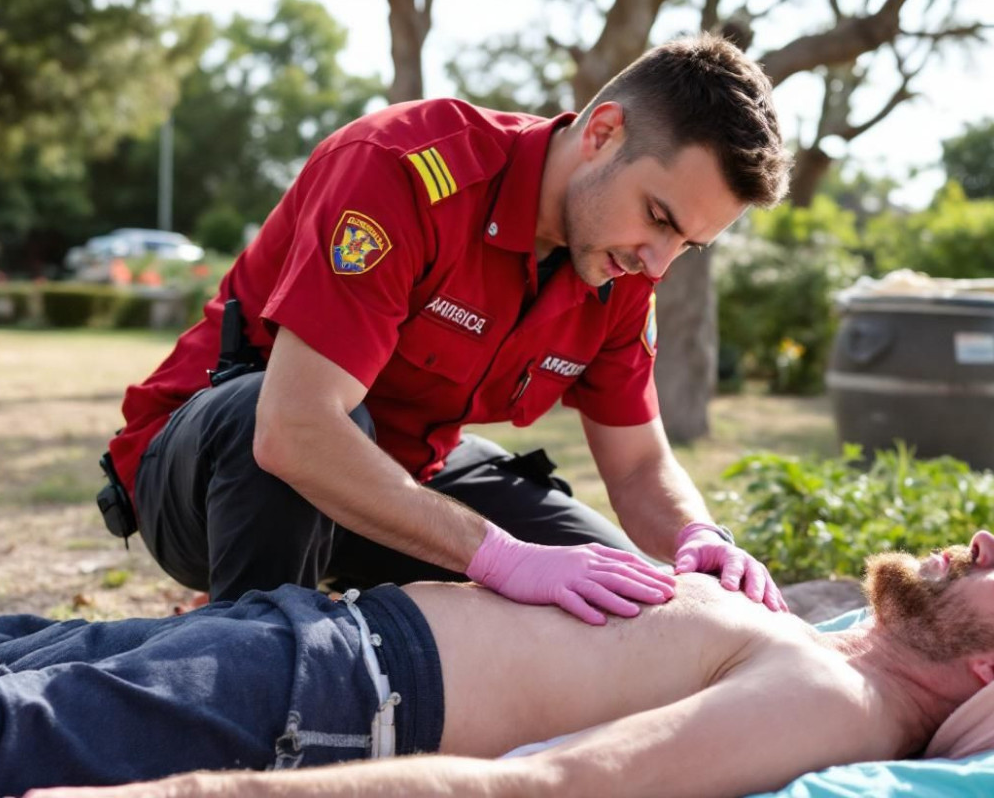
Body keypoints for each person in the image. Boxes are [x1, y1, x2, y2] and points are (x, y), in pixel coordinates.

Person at [98, 34, 795, 618]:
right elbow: (293, 431)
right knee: (295, 420)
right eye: (660, 218)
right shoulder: (403, 170)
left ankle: (319, 609)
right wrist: (503, 559)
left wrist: (699, 534)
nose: (659, 262)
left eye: (688, 244)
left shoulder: (622, 265)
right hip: (213, 481)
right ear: (603, 133)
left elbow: (640, 465)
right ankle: (247, 653)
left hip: (402, 482)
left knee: (620, 595)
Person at [0, 531, 994, 798]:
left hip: (321, 704)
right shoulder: (820, 644)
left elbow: (543, 790)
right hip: (313, 642)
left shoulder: (834, 703)